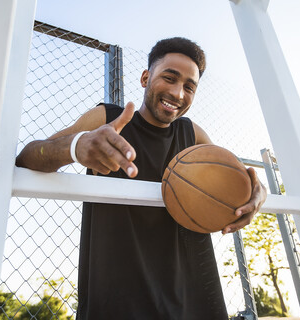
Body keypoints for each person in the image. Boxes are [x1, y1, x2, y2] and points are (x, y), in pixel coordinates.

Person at [16, 37, 267, 320]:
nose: (178, 93)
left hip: (191, 293)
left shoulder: (192, 135)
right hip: (118, 294)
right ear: (146, 77)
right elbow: (26, 158)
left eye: (189, 87)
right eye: (169, 78)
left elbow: (240, 181)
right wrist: (77, 146)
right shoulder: (106, 119)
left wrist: (257, 194)